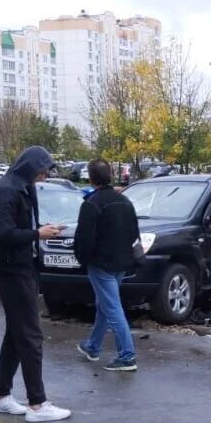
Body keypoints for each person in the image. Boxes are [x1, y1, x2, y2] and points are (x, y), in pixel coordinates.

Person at [0, 146, 70, 423]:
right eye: (43, 170)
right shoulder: (6, 190)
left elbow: (16, 226)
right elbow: (2, 233)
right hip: (12, 271)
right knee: (31, 336)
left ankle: (1, 396)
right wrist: (37, 233)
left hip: (22, 268)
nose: (45, 175)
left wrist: (41, 229)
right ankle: (37, 403)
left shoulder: (21, 186)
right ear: (31, 168)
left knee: (16, 335)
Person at [74, 158, 141, 372]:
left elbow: (83, 239)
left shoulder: (91, 203)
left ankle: (127, 355)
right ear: (110, 176)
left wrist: (82, 259)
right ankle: (92, 346)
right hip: (121, 263)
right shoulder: (125, 201)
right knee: (105, 304)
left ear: (91, 178)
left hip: (100, 264)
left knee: (112, 307)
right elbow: (134, 232)